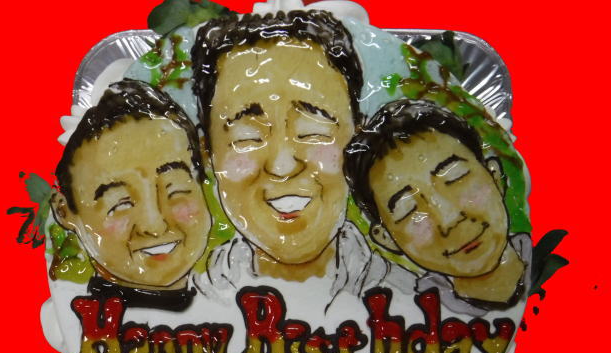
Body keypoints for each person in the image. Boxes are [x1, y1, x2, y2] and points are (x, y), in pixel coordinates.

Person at [189, 10, 413, 305]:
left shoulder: (415, 299)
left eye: (313, 131)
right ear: (207, 152)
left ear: (358, 140)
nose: (282, 165)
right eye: (247, 137)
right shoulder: (185, 305)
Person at [344, 99, 530, 314]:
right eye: (408, 209)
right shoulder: (406, 314)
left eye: (455, 177)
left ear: (495, 176)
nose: (449, 219)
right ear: (386, 238)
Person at [51, 80, 211, 310]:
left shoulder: (233, 287)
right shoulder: (70, 313)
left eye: (175, 190)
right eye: (120, 204)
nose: (155, 226)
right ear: (63, 211)